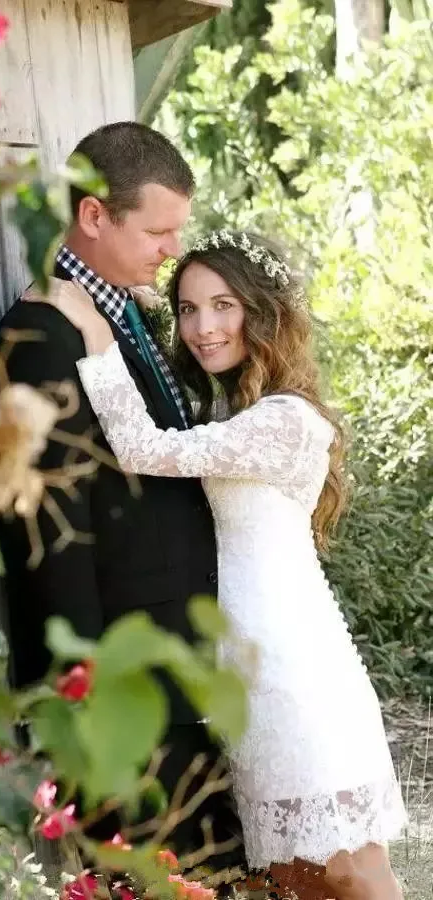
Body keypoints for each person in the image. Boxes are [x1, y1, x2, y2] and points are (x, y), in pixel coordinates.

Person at [28, 229, 407, 900]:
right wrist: (137, 311)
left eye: (224, 305)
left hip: (297, 672)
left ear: (263, 312)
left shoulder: (284, 421)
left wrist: (95, 325)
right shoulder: (233, 407)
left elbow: (144, 446)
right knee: (296, 875)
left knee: (352, 870)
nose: (203, 328)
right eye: (189, 308)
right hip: (243, 671)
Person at [0, 123, 245, 880]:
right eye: (157, 230)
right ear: (94, 216)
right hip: (122, 696)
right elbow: (45, 532)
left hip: (173, 675)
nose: (170, 249)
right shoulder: (40, 336)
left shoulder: (125, 315)